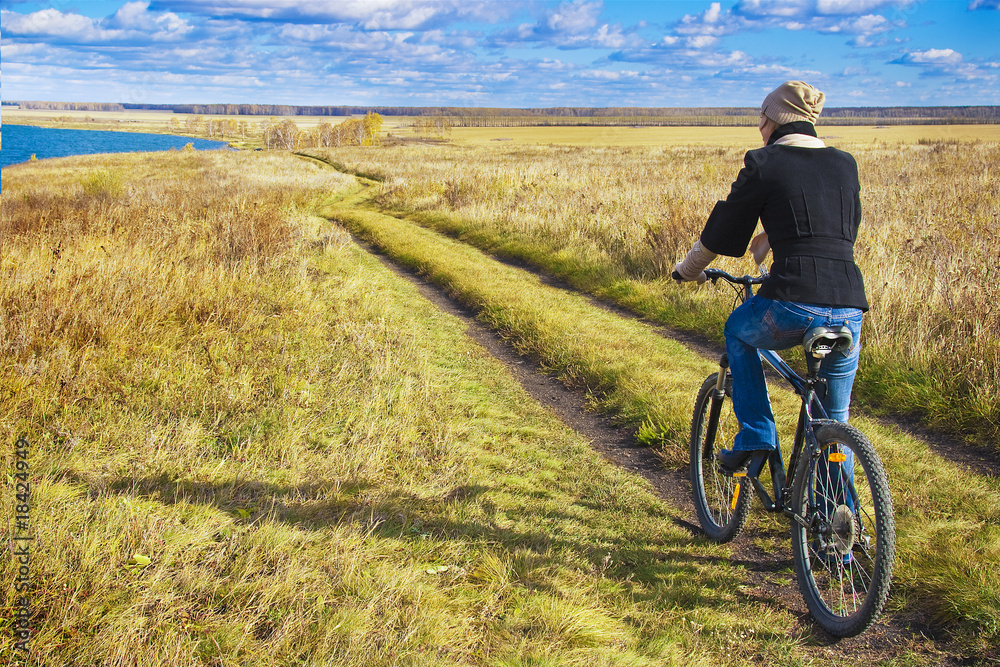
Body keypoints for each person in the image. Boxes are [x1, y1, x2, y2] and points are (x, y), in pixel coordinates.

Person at [673, 81, 867, 471]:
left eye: (761, 117)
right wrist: (771, 236)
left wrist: (687, 270)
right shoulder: (844, 163)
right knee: (833, 423)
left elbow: (723, 229)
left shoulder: (765, 162)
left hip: (794, 301)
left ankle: (757, 436)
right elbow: (831, 228)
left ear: (773, 119)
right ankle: (840, 520)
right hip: (850, 305)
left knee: (739, 331)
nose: (759, 125)